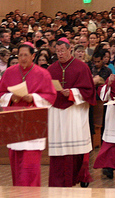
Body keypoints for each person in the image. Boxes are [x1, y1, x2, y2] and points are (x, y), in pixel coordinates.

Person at [0, 43, 57, 186]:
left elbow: (50, 97)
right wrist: (12, 98)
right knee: (16, 164)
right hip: (15, 122)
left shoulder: (42, 73)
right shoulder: (10, 72)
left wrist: (33, 98)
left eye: (26, 55)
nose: (22, 58)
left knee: (30, 167)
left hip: (33, 124)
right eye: (20, 55)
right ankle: (17, 193)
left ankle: (29, 194)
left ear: (33, 56)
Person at [47, 38, 96, 187]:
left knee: (77, 147)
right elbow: (45, 89)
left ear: (70, 50)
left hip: (75, 111)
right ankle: (58, 180)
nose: (60, 54)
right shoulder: (51, 69)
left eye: (62, 51)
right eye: (57, 51)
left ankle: (80, 176)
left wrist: (72, 93)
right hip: (56, 112)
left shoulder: (81, 67)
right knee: (59, 148)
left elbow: (89, 91)